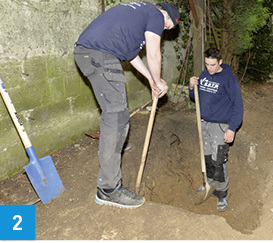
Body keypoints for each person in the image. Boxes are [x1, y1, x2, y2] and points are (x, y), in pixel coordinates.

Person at [74, 1, 180, 209]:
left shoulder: (138, 15)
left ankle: (113, 149)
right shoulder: (155, 14)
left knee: (116, 115)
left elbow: (132, 55)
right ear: (165, 15)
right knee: (116, 117)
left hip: (92, 53)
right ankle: (109, 189)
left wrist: (151, 79)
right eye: (168, 26)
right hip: (99, 55)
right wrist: (159, 81)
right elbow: (153, 54)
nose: (165, 29)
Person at [189, 48, 243, 212]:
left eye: (212, 64)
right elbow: (195, 97)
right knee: (208, 158)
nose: (209, 68)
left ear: (220, 62)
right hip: (204, 124)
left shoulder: (228, 79)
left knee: (219, 160)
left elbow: (238, 105)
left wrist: (232, 128)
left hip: (221, 126)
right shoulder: (204, 75)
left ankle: (222, 194)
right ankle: (211, 185)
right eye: (206, 64)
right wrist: (192, 87)